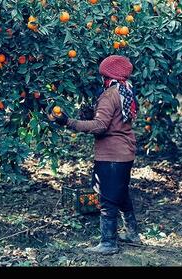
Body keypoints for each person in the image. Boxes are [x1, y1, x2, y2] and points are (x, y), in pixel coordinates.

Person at [50, 55, 140, 255]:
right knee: (121, 192)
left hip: (111, 155)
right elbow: (115, 120)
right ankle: (132, 233)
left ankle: (108, 242)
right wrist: (92, 114)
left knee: (107, 197)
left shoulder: (109, 95)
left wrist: (68, 122)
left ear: (107, 75)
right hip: (124, 152)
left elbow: (100, 127)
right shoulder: (126, 90)